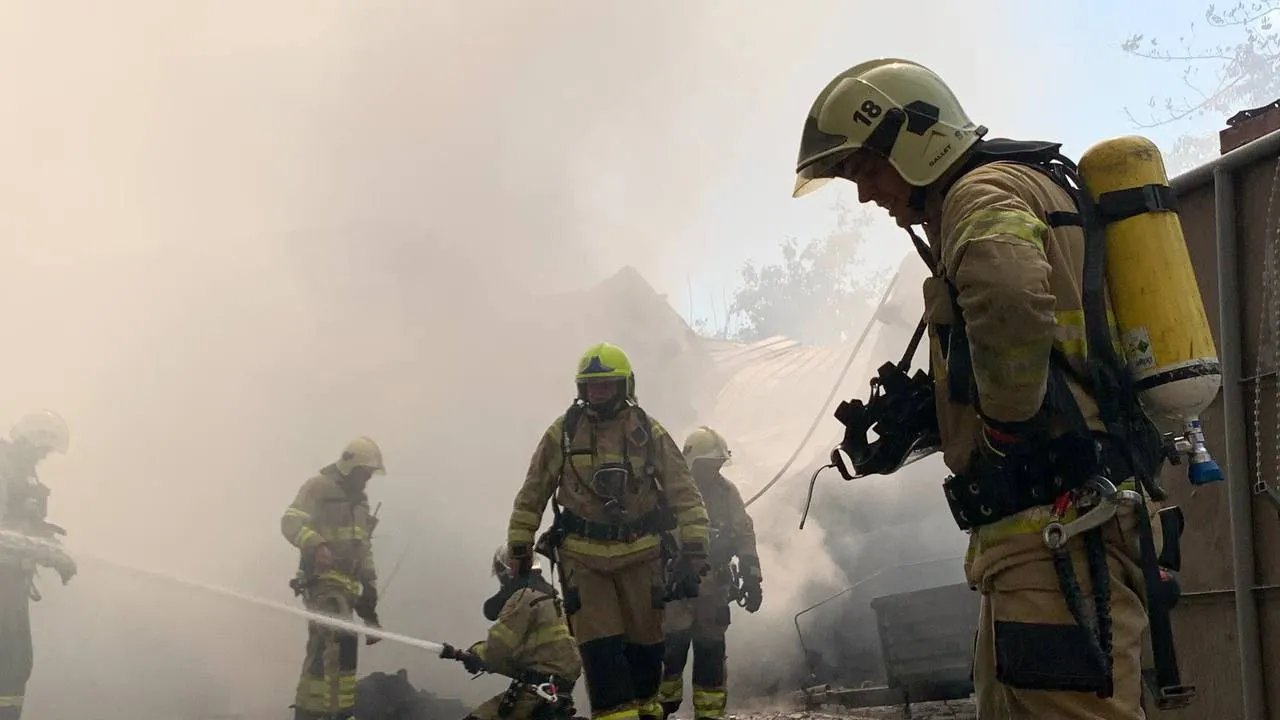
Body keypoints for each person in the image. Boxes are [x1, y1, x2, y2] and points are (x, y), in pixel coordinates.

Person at [792, 58, 1168, 719]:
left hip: (1056, 534)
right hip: (1054, 536)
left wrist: (1000, 426)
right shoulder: (1025, 185)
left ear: (913, 137)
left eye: (865, 169)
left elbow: (1011, 297)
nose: (863, 194)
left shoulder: (980, 196)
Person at [506, 342, 710, 720]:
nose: (597, 392)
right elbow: (532, 493)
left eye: (606, 384)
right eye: (591, 385)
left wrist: (695, 547)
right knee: (602, 658)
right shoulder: (564, 433)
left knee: (646, 657)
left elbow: (683, 490)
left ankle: (648, 712)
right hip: (583, 559)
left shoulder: (648, 432)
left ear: (624, 385)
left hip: (643, 557)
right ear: (581, 388)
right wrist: (519, 549)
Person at [659, 427, 761, 720]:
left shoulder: (727, 492)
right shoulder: (670, 491)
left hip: (713, 587)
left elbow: (744, 532)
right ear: (690, 463)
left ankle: (709, 714)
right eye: (707, 465)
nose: (713, 471)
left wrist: (752, 575)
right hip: (675, 587)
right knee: (670, 651)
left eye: (717, 464)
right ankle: (660, 708)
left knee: (711, 652)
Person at [281, 436, 386, 720]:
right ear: (350, 465)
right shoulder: (319, 487)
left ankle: (332, 712)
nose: (366, 481)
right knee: (338, 639)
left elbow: (364, 549)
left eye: (369, 476)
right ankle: (325, 714)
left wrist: (370, 594)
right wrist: (316, 545)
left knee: (334, 652)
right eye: (364, 473)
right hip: (322, 582)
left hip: (350, 588)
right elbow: (290, 521)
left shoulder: (361, 502)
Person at [440, 545, 583, 720]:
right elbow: (531, 661)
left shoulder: (523, 599)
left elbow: (497, 650)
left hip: (533, 695)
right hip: (556, 693)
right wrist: (475, 660)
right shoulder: (555, 602)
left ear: (507, 572)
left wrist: (477, 652)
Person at [0, 411, 76, 720]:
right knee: (13, 660)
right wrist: (52, 555)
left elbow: (19, 522)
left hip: (13, 580)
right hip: (3, 580)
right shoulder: (4, 467)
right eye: (43, 450)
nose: (45, 456)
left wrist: (41, 532)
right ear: (30, 441)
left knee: (17, 661)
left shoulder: (22, 469)